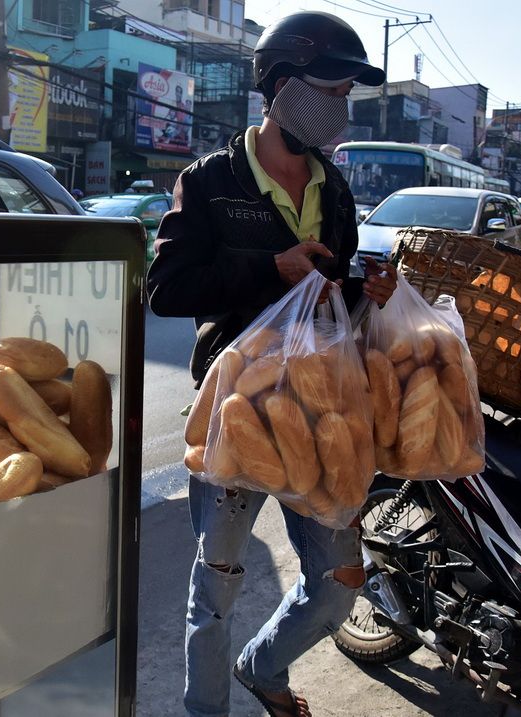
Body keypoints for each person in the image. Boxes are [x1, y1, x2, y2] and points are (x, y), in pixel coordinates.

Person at [145, 11, 397, 717]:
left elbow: (334, 286)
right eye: (332, 90)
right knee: (216, 588)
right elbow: (168, 289)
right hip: (235, 413)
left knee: (341, 577)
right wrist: (269, 267)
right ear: (282, 85)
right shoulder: (211, 181)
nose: (342, 105)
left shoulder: (336, 189)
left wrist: (367, 288)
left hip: (321, 413)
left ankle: (265, 666)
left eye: (348, 94)